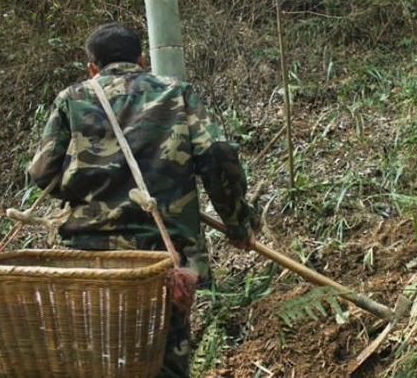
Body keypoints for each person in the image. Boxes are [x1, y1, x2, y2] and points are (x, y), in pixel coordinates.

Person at [28, 22, 255, 377]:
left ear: (92, 67)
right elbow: (216, 156)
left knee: (97, 357)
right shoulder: (176, 92)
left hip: (91, 259)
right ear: (142, 59)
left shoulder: (71, 99)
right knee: (162, 356)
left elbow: (43, 174)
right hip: (162, 254)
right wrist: (237, 222)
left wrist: (88, 189)